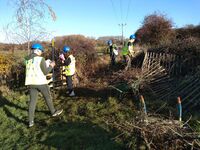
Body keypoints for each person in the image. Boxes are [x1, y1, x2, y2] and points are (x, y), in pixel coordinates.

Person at [25, 43, 63, 127]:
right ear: (38, 50)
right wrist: (51, 66)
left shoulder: (27, 59)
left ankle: (30, 122)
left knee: (32, 102)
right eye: (41, 51)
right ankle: (53, 112)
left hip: (31, 83)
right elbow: (46, 72)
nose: (41, 53)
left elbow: (34, 67)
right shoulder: (40, 59)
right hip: (41, 83)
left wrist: (44, 63)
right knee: (48, 98)